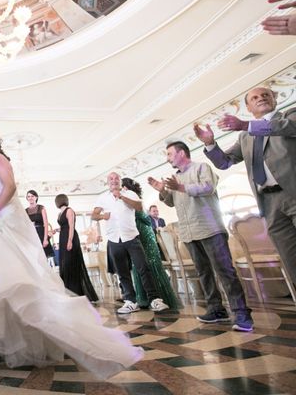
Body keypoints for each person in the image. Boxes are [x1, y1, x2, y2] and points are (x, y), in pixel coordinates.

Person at [0, 123, 143, 379]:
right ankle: (8, 340)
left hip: (5, 220)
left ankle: (59, 335)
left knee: (15, 280)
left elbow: (10, 187)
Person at [194, 86, 296, 291]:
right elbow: (225, 163)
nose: (261, 98)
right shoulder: (245, 138)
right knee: (291, 258)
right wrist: (211, 144)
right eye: (255, 98)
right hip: (269, 203)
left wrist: (245, 125)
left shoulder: (290, 115)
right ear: (249, 107)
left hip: (293, 193)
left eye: (266, 95)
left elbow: (284, 127)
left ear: (275, 99)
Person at [148, 141, 253, 332]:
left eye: (170, 154)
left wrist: (180, 187)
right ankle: (216, 309)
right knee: (204, 273)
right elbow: (172, 202)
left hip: (209, 228)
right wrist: (162, 190)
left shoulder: (201, 168)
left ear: (181, 153)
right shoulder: (174, 179)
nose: (167, 158)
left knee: (225, 271)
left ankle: (241, 313)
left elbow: (208, 188)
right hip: (189, 233)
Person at [92, 172, 169, 314]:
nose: (114, 181)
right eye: (111, 179)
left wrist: (122, 197)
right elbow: (93, 215)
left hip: (132, 237)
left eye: (116, 178)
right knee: (122, 272)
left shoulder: (130, 194)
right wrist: (103, 216)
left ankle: (154, 300)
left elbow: (139, 207)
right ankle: (130, 301)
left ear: (120, 181)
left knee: (143, 267)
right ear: (107, 182)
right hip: (114, 239)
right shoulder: (102, 198)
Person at [122, 178, 180, 310]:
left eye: (122, 187)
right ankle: (144, 298)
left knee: (151, 262)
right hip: (136, 233)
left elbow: (145, 219)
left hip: (145, 233)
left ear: (126, 188)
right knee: (139, 265)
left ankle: (159, 297)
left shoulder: (134, 199)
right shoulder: (123, 201)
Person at [54, 193, 98, 301]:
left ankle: (77, 292)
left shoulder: (69, 210)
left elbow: (71, 226)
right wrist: (57, 230)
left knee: (71, 264)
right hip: (63, 238)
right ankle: (68, 291)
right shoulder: (60, 213)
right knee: (65, 265)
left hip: (71, 238)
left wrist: (69, 241)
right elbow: (64, 227)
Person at [25, 190, 55, 260]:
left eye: (32, 196)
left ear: (36, 197)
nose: (30, 198)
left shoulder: (41, 208)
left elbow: (46, 224)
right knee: (34, 258)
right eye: (28, 196)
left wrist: (45, 239)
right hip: (31, 235)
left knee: (43, 258)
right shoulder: (25, 211)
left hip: (41, 234)